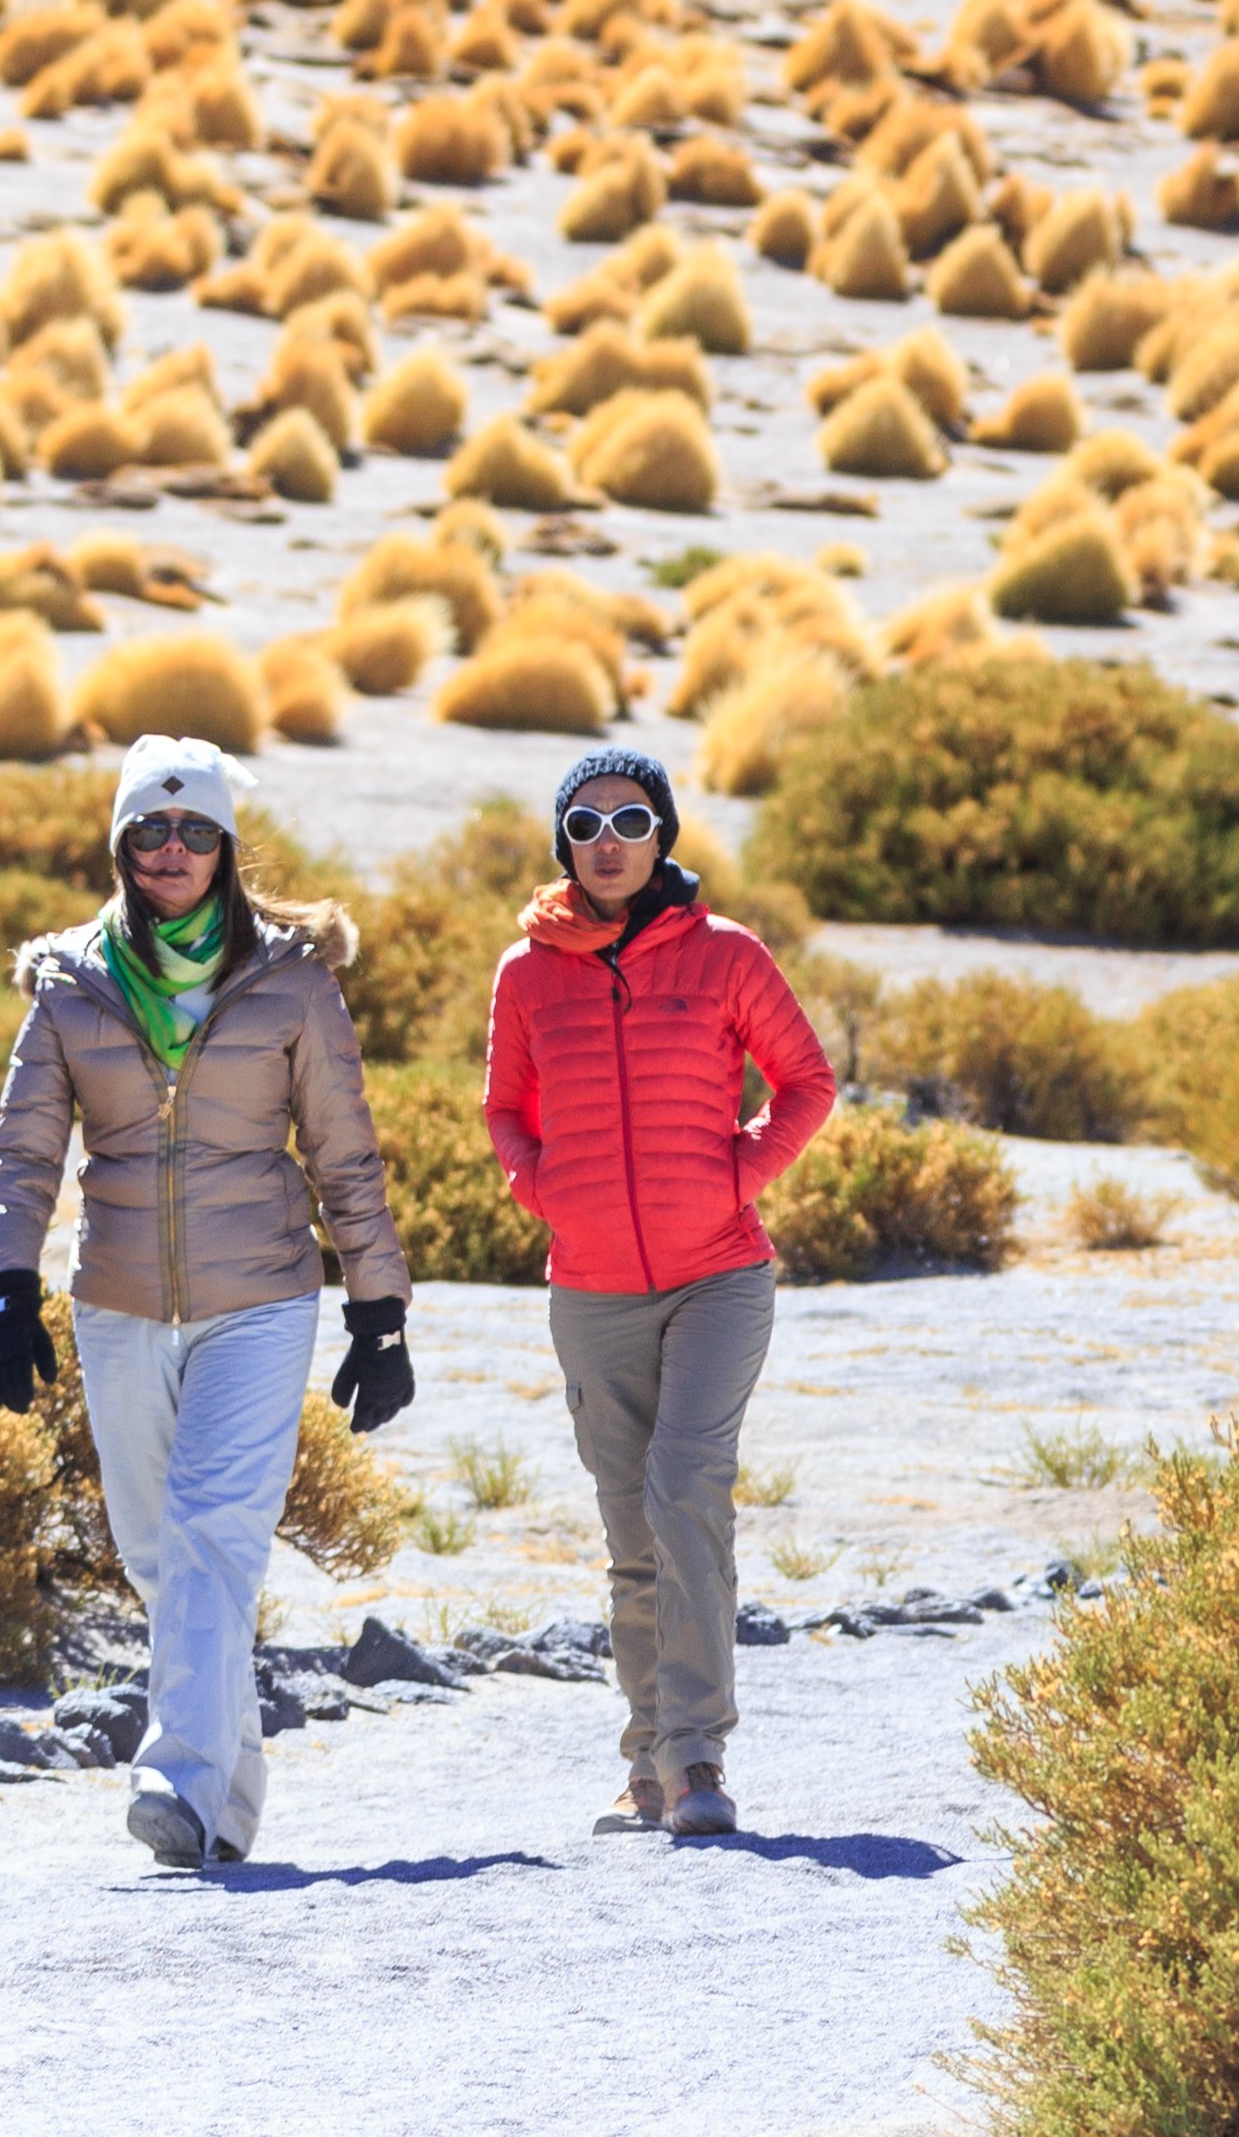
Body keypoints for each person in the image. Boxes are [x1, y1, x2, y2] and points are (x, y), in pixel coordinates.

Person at [0, 739, 411, 1872]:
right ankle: (227, 1805)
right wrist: (4, 1288)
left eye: (196, 832)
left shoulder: (292, 983)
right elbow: (23, 1154)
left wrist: (379, 1307)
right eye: (151, 832)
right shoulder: (70, 984)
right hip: (117, 1299)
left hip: (259, 1298)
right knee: (156, 1556)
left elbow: (344, 1153)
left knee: (214, 1534)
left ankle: (173, 1780)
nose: (173, 851)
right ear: (121, 844)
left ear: (226, 849)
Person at [481, 744, 834, 1840]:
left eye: (629, 822)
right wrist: (543, 1187)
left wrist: (736, 1172)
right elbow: (504, 1108)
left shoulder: (725, 957)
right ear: (563, 846)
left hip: (718, 1274)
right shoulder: (527, 974)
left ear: (663, 834)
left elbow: (806, 1083)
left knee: (686, 1489)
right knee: (632, 1530)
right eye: (584, 827)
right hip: (590, 1288)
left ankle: (697, 1762)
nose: (608, 845)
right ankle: (645, 1765)